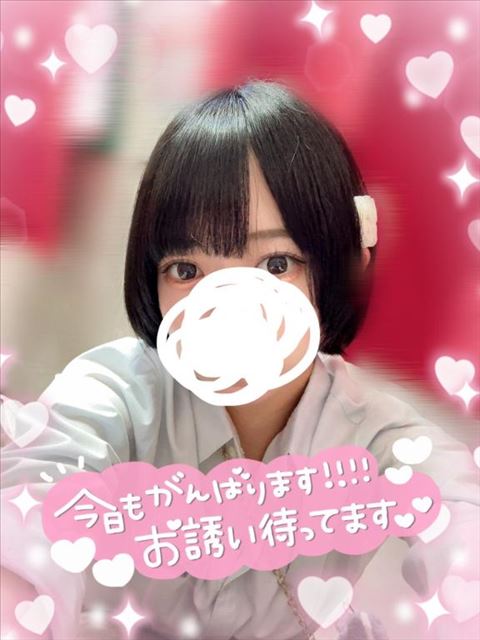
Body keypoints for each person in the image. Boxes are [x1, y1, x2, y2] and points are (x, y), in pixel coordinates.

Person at [1, 79, 479, 640]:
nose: (228, 309)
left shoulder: (377, 434)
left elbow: (461, 523)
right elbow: (36, 493)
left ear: (343, 261)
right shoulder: (116, 393)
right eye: (186, 270)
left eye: (276, 264)